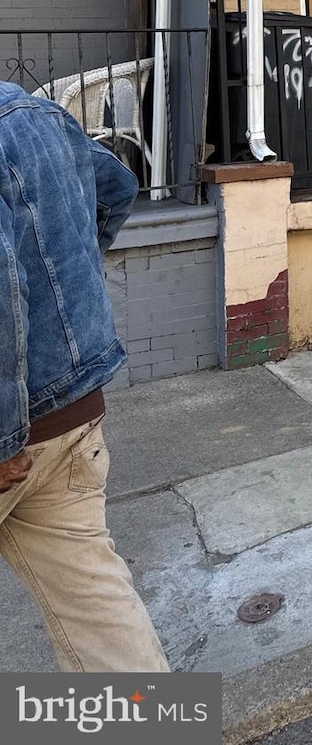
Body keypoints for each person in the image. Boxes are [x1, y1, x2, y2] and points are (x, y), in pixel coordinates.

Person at [0, 79, 169, 672]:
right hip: (72, 413)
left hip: (14, 437)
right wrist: (71, 279)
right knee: (97, 610)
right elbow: (117, 185)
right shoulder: (32, 111)